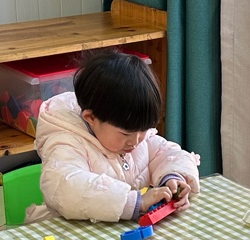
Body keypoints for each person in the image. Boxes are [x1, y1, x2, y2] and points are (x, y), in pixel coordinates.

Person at [31, 51, 199, 222]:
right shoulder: (66, 143)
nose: (136, 141)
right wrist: (133, 202)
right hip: (64, 230)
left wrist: (173, 178)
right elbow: (67, 187)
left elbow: (167, 154)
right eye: (126, 133)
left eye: (144, 129)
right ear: (91, 118)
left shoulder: (136, 135)